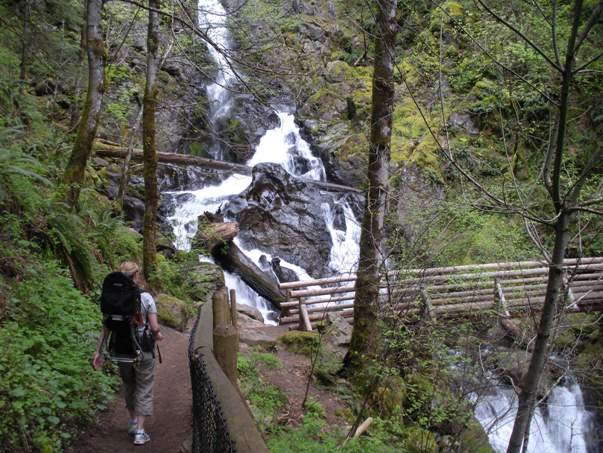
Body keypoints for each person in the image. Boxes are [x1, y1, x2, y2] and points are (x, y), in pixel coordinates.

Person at [92, 261, 164, 446]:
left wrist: (98, 351)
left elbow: (106, 327)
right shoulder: (146, 298)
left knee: (129, 385)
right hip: (143, 350)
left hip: (120, 350)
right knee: (144, 387)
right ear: (136, 276)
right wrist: (158, 335)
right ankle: (140, 432)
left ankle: (132, 422)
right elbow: (154, 327)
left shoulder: (111, 298)